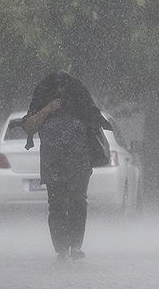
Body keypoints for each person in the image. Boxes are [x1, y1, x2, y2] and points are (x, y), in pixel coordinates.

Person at [17, 71, 110, 262]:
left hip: (79, 161)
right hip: (53, 161)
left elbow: (94, 122)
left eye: (64, 87)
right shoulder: (42, 98)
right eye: (57, 88)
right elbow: (29, 127)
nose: (61, 91)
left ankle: (75, 245)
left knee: (77, 201)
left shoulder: (80, 100)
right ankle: (61, 248)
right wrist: (47, 109)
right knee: (57, 204)